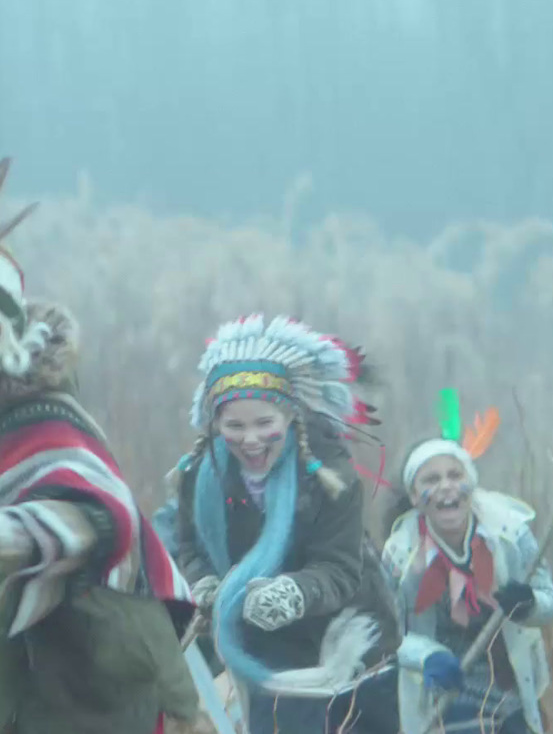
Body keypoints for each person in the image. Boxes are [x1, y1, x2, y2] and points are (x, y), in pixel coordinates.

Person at [0, 158, 215, 734]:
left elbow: (107, 519)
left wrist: (6, 534)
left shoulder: (42, 416)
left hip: (94, 681)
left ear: (7, 329)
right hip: (13, 683)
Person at [169, 314, 401, 733]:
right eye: (234, 426)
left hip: (353, 641)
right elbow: (191, 548)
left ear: (290, 417)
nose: (250, 439)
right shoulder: (198, 476)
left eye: (264, 424)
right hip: (267, 656)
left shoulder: (329, 475)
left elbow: (341, 567)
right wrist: (202, 583)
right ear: (215, 424)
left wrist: (292, 593)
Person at [380, 392, 553, 733]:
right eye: (431, 480)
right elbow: (388, 634)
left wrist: (528, 604)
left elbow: (551, 604)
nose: (447, 487)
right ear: (416, 497)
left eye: (454, 475)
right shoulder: (399, 555)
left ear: (470, 485)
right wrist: (426, 656)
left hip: (511, 694)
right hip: (442, 698)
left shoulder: (510, 534)